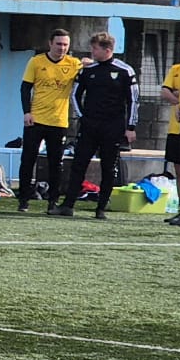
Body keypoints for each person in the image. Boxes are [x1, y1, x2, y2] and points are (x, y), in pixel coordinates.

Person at [49, 33, 138, 220]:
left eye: (95, 48)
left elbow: (133, 100)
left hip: (113, 127)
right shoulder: (88, 70)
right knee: (79, 164)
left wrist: (130, 127)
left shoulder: (125, 71)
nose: (92, 52)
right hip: (90, 126)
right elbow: (75, 95)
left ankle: (101, 208)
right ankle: (68, 205)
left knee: (108, 167)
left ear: (107, 50)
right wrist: (83, 117)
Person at [17, 29, 80, 212]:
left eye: (65, 45)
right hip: (36, 120)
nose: (62, 48)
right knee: (28, 160)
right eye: (59, 44)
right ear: (50, 43)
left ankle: (53, 201)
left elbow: (90, 70)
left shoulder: (74, 64)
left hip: (58, 122)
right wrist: (27, 112)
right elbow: (25, 88)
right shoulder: (36, 62)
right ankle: (23, 199)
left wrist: (89, 62)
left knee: (56, 163)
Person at [159, 35, 180, 227]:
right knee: (178, 170)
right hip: (176, 128)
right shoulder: (176, 69)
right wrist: (178, 102)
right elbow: (165, 92)